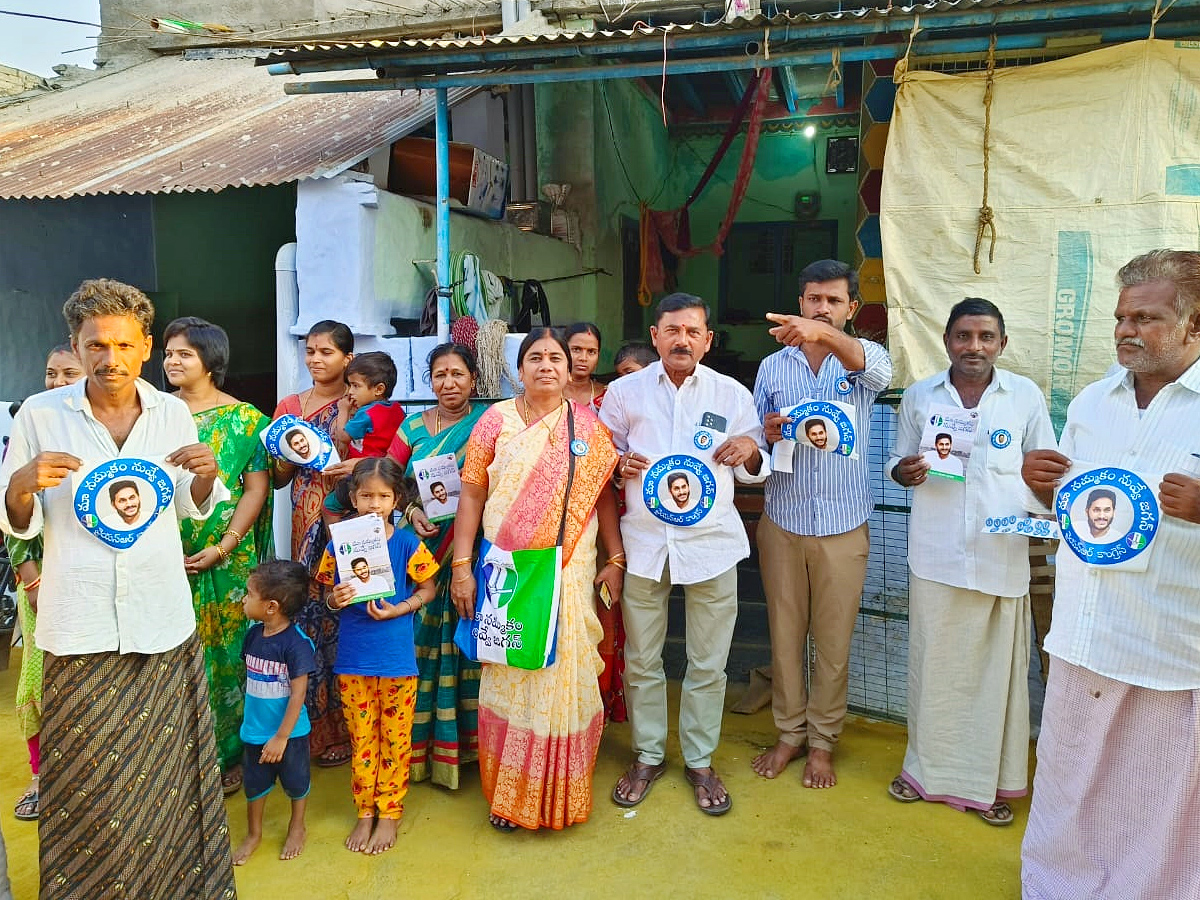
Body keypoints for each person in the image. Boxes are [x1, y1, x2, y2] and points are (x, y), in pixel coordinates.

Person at [0, 278, 236, 899]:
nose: (110, 359)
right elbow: (18, 522)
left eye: (124, 345)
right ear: (75, 347)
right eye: (95, 344)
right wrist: (21, 483)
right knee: (87, 782)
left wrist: (207, 478)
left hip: (162, 622)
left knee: (166, 777)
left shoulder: (171, 413)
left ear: (146, 347)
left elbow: (190, 509)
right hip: (79, 630)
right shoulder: (40, 414)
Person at [1020, 249, 1200, 899]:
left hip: (1169, 649)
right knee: (1070, 790)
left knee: (1158, 805)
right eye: (1121, 317)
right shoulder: (1094, 402)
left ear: (1194, 324)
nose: (1125, 330)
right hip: (1085, 638)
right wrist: (1042, 488)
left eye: (1146, 318)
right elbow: (1087, 511)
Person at [887, 297, 1056, 826]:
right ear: (947, 341)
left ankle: (993, 783)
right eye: (964, 336)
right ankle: (925, 771)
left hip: (999, 560)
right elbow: (897, 460)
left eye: (986, 337)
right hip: (936, 557)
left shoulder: (1025, 397)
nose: (974, 347)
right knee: (933, 672)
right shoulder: (918, 397)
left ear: (1002, 344)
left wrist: (1037, 484)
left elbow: (1045, 474)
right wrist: (905, 472)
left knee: (995, 680)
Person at [452, 328, 624, 831]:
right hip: (506, 572)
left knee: (564, 670)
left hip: (567, 570)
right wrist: (461, 568)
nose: (546, 365)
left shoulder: (590, 430)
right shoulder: (495, 422)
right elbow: (470, 496)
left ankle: (560, 793)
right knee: (509, 671)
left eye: (556, 357)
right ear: (517, 369)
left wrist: (615, 556)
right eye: (534, 357)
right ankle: (510, 795)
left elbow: (604, 499)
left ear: (571, 370)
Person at [602, 293, 767, 816]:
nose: (682, 340)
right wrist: (616, 463)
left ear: (707, 340)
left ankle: (699, 759)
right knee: (643, 661)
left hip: (712, 546)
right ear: (654, 336)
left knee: (708, 663)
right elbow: (601, 458)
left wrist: (751, 450)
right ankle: (648, 755)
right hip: (645, 544)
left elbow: (752, 467)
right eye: (672, 330)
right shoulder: (624, 393)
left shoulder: (733, 394)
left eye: (693, 332)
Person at [751, 259, 892, 788]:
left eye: (834, 301)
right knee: (785, 637)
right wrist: (767, 432)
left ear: (852, 308)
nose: (822, 308)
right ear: (801, 299)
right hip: (783, 519)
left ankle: (823, 742)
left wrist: (824, 335)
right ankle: (789, 733)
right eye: (814, 300)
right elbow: (759, 441)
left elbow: (879, 372)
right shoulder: (773, 367)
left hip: (841, 526)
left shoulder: (863, 361)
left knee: (832, 643)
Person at [165, 315, 274, 796]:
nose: (171, 361)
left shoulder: (246, 420)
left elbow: (256, 489)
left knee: (231, 656)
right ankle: (176, 752)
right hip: (164, 555)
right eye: (167, 353)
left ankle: (230, 757)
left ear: (210, 362)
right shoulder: (153, 416)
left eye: (183, 354)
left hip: (228, 558)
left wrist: (224, 544)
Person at [320, 458, 439, 853]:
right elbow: (325, 591)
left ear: (396, 499)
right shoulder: (340, 542)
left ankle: (389, 812)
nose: (374, 503)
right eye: (366, 495)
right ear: (353, 498)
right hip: (354, 660)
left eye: (383, 496)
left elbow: (428, 588)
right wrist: (334, 599)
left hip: (396, 660)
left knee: (395, 738)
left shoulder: (406, 542)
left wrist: (400, 608)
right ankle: (364, 811)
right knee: (362, 739)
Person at [387, 343, 487, 790]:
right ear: (429, 381)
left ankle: (470, 750)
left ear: (474, 380)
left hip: (472, 553)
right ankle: (419, 753)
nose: (449, 384)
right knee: (421, 643)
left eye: (458, 375)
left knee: (472, 645)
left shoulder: (488, 424)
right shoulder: (412, 427)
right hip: (423, 556)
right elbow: (387, 480)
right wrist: (410, 514)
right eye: (440, 375)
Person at [5, 344, 84, 824]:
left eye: (67, 373)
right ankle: (40, 776)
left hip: (86, 582)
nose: (56, 382)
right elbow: (11, 506)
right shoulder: (30, 427)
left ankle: (77, 775)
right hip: (39, 584)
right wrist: (30, 576)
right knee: (37, 686)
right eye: (50, 373)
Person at [274, 320, 356, 767]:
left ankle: (353, 725)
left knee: (351, 609)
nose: (315, 360)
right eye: (310, 351)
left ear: (347, 358)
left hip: (350, 518)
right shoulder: (290, 407)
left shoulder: (362, 401)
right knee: (310, 612)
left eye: (325, 352)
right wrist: (288, 453)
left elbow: (377, 460)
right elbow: (280, 480)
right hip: (307, 516)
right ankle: (317, 727)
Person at [233, 559, 315, 866]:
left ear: (271, 606)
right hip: (255, 731)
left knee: (297, 782)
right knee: (254, 785)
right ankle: (254, 834)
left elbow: (298, 695)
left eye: (248, 594)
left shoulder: (297, 646)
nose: (243, 599)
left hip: (289, 735)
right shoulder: (253, 636)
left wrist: (281, 737)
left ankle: (297, 825)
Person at [336, 351, 406, 460]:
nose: (350, 391)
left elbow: (343, 437)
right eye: (350, 385)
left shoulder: (366, 414)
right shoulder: (398, 410)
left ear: (379, 389)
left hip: (364, 468)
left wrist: (343, 410)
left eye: (355, 386)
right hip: (388, 466)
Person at [563, 322, 606, 411]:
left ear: (598, 355)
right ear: (562, 351)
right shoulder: (547, 392)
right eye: (576, 349)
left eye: (591, 352)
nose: (583, 358)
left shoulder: (608, 396)